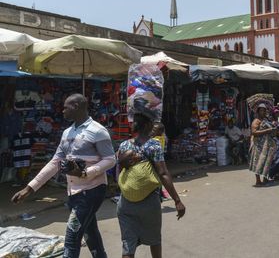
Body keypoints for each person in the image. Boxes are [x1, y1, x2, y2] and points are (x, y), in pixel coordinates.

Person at [11, 94, 116, 258]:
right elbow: (55, 162)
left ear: (77, 106)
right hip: (73, 191)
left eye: (66, 107)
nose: (62, 110)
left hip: (92, 190)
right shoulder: (67, 132)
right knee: (90, 233)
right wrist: (30, 188)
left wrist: (85, 173)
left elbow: (110, 160)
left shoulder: (98, 131)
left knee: (71, 240)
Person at [117, 113, 186, 258]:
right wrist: (177, 200)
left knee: (128, 245)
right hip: (149, 202)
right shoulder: (154, 145)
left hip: (125, 202)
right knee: (154, 240)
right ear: (148, 126)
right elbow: (163, 173)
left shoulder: (124, 145)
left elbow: (118, 173)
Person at [249, 103, 278, 186]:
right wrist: (268, 131)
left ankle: (265, 179)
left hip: (266, 145)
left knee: (267, 162)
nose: (263, 112)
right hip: (258, 146)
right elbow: (254, 132)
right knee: (257, 162)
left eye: (264, 110)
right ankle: (258, 181)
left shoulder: (265, 120)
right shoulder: (256, 121)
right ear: (258, 112)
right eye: (262, 110)